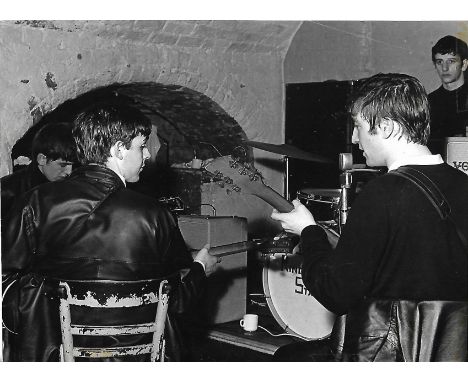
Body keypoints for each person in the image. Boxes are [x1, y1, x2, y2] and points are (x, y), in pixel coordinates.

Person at [271, 73, 468, 362]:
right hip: (449, 353)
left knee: (285, 358)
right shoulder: (462, 184)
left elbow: (336, 293)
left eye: (359, 126)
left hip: (393, 354)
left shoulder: (383, 193)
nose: (354, 138)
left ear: (385, 127)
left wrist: (308, 230)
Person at [1, 102, 219, 361]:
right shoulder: (154, 214)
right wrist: (199, 270)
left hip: (52, 353)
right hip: (133, 358)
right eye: (141, 146)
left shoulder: (33, 202)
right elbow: (180, 302)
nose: (147, 156)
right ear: (118, 149)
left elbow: (6, 281)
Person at [1, 122, 76, 222]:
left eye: (72, 165)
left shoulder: (73, 186)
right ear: (42, 159)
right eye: (63, 165)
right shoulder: (7, 191)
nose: (69, 172)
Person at [428, 35, 468, 154]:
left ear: (464, 64)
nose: (444, 68)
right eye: (439, 62)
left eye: (451, 61)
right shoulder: (427, 102)